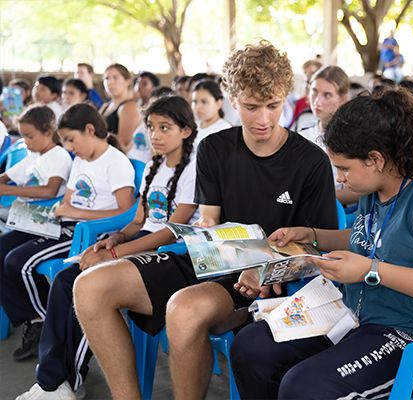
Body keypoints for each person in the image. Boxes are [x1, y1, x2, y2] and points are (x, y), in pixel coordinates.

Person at [73, 41, 338, 399]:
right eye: (251, 107)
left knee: (183, 310)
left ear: (285, 100)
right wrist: (200, 231)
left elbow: (319, 245)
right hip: (213, 259)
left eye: (273, 105)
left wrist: (270, 270)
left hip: (261, 278)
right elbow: (210, 219)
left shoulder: (310, 160)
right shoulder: (215, 148)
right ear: (232, 98)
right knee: (89, 286)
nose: (263, 119)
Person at [230, 88, 413, 399]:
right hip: (358, 314)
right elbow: (372, 236)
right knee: (251, 348)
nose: (340, 179)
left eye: (344, 168)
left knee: (305, 388)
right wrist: (312, 235)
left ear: (376, 159)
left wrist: (370, 270)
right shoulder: (378, 185)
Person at [15, 96, 199, 400]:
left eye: (165, 127)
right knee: (65, 280)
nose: (155, 135)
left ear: (186, 131)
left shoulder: (193, 170)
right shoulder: (153, 167)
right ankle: (53, 380)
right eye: (151, 127)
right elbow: (138, 221)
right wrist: (116, 239)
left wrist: (113, 255)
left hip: (166, 254)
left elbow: (169, 233)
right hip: (139, 246)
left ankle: (66, 381)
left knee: (85, 285)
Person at [0, 103, 135, 363]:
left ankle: (40, 321)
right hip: (65, 223)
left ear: (90, 130)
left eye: (71, 140)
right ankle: (34, 319)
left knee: (19, 262)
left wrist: (73, 211)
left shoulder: (116, 162)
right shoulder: (82, 160)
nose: (70, 148)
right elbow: (68, 201)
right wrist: (59, 211)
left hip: (90, 232)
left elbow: (125, 213)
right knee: (3, 250)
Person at [297, 66, 356, 206]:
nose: (317, 101)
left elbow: (361, 191)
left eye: (327, 95)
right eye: (314, 92)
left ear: (344, 99)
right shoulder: (301, 136)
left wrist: (317, 198)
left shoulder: (356, 137)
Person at [0, 106, 71, 221]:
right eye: (23, 136)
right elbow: (4, 178)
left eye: (30, 137)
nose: (25, 141)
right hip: (22, 210)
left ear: (48, 133)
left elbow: (50, 191)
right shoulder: (33, 156)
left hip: (43, 214)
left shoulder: (59, 156)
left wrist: (7, 190)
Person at [99, 63, 142, 152]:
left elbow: (123, 144)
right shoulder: (105, 106)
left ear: (127, 81)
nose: (110, 82)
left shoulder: (129, 107)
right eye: (107, 78)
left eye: (115, 78)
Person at [191, 79, 231, 149]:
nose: (197, 107)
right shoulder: (193, 127)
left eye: (204, 102)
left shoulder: (225, 130)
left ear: (219, 103)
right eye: (195, 102)